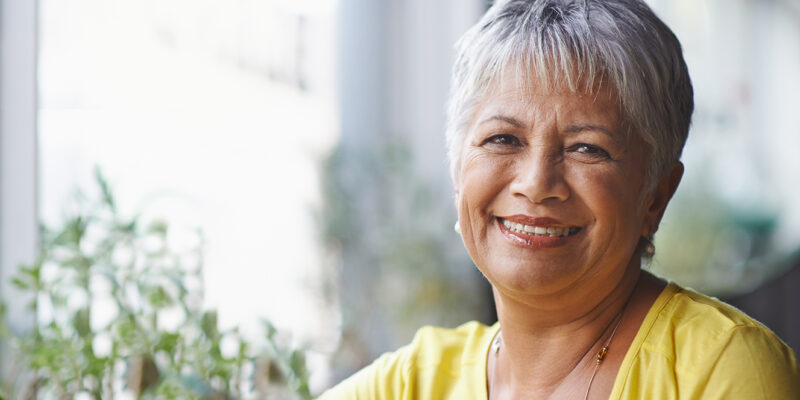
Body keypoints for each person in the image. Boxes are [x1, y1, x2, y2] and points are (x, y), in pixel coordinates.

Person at [321, 0, 800, 398]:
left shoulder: (722, 370)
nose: (536, 182)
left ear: (655, 196)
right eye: (502, 139)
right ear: (457, 171)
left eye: (587, 148)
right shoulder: (408, 385)